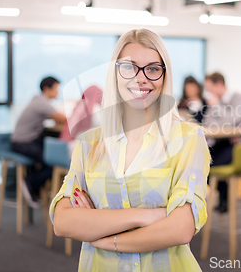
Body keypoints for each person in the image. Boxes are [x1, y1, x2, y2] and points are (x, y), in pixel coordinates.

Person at [50, 29, 210, 272]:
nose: (141, 78)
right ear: (115, 75)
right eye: (129, 68)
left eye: (153, 69)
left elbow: (180, 229)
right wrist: (144, 216)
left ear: (165, 77)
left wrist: (104, 237)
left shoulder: (188, 139)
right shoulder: (89, 144)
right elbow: (63, 221)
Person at [11, 76, 66, 207]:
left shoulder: (38, 100)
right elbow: (61, 118)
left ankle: (38, 188)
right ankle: (30, 182)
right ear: (47, 89)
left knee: (51, 153)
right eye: (56, 89)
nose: (58, 93)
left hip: (26, 140)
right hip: (23, 143)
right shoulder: (41, 103)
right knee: (52, 160)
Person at [202, 72, 241, 213]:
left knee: (211, 165)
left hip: (240, 145)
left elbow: (231, 121)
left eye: (209, 87)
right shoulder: (216, 101)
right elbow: (207, 123)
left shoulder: (238, 98)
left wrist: (217, 106)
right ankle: (224, 197)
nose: (208, 92)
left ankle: (225, 197)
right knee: (199, 162)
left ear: (219, 84)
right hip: (221, 142)